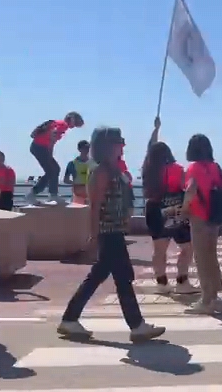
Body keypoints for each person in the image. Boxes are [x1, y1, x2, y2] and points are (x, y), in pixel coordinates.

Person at [57, 126, 165, 342]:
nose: (121, 147)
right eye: (118, 143)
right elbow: (95, 205)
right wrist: (94, 236)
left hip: (114, 230)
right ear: (106, 146)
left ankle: (70, 319)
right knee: (122, 277)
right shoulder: (101, 171)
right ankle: (136, 325)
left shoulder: (114, 169)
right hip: (108, 232)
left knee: (101, 276)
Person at [142, 117, 195, 295]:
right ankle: (182, 280)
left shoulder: (148, 169)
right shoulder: (177, 168)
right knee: (187, 247)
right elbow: (186, 187)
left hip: (153, 209)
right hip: (174, 210)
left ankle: (162, 283)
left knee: (159, 249)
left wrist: (156, 129)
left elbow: (151, 146)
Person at [182, 134, 222, 314]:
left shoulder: (193, 167)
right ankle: (214, 295)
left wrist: (184, 209)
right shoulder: (215, 167)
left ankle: (206, 299)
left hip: (199, 215)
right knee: (211, 255)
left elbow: (191, 189)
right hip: (214, 215)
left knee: (201, 257)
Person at [26, 112, 84, 204]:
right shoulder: (63, 125)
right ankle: (35, 194)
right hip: (40, 147)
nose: (75, 126)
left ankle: (52, 195)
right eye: (76, 123)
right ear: (72, 119)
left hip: (38, 147)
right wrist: (50, 152)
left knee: (54, 169)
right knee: (52, 170)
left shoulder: (59, 123)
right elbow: (53, 135)